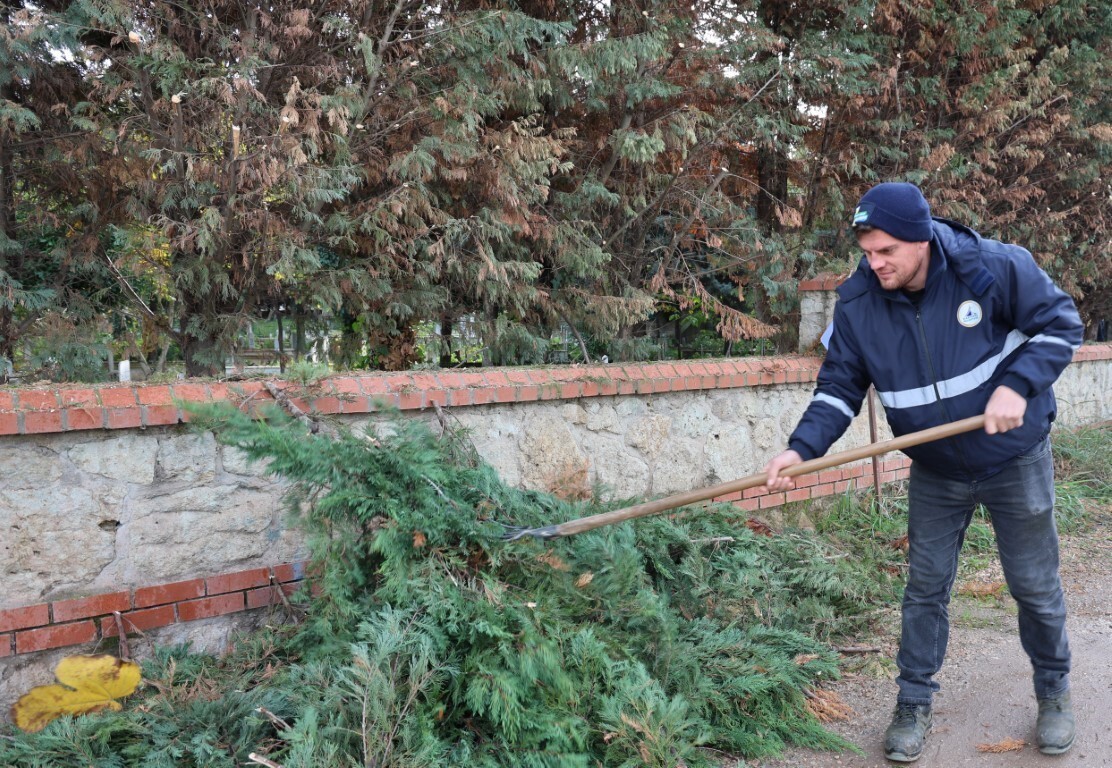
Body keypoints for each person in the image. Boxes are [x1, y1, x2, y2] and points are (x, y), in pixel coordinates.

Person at [764, 182, 1083, 762]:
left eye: (886, 251)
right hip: (936, 468)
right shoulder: (859, 304)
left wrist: (1017, 385)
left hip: (1014, 457)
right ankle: (913, 701)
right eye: (867, 252)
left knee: (1034, 586)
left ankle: (1054, 690)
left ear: (921, 240)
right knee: (924, 590)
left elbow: (1061, 325)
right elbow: (838, 388)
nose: (875, 263)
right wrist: (801, 450)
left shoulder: (993, 268)